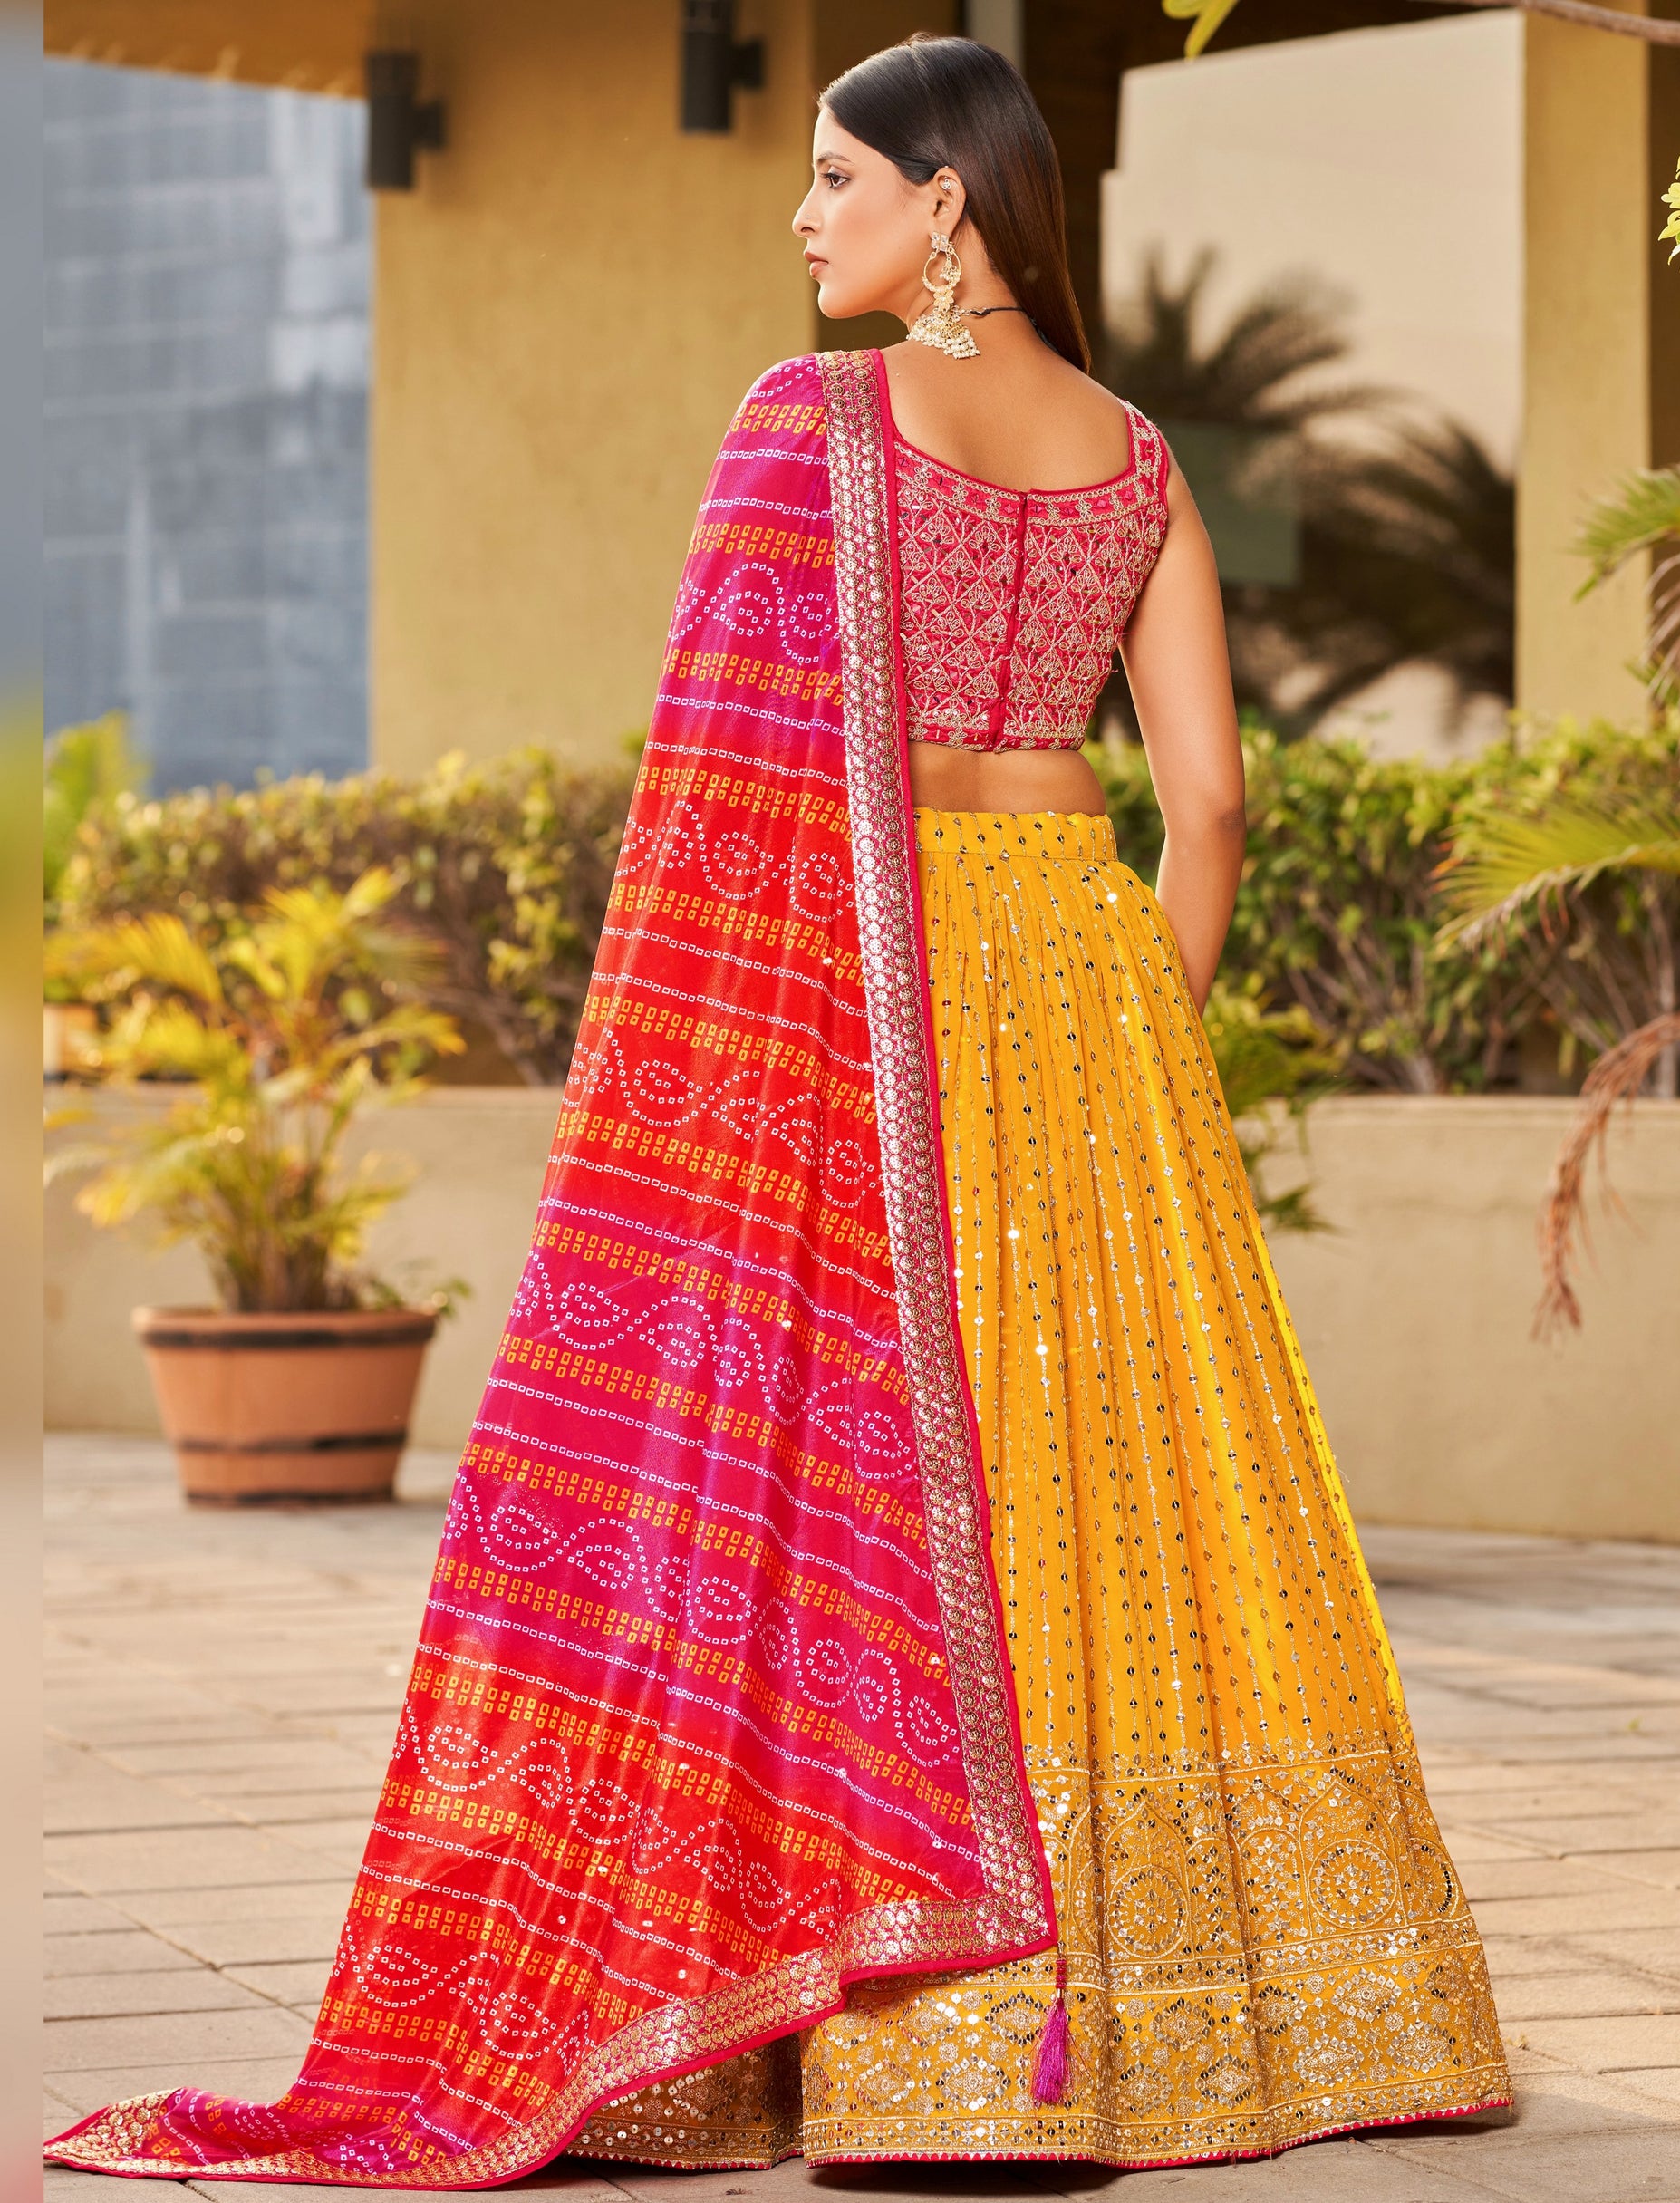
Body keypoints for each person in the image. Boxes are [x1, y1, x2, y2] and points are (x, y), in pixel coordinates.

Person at [47, 34, 1509, 2189]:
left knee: (878, 1494)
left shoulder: (807, 425)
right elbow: (1203, 798)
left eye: (838, 179)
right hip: (1095, 990)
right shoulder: (1138, 457)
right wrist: (1130, 1043)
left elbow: (723, 833)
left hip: (872, 1006)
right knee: (1103, 1499)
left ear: (949, 206)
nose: (804, 218)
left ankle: (921, 2046)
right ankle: (1252, 2006)